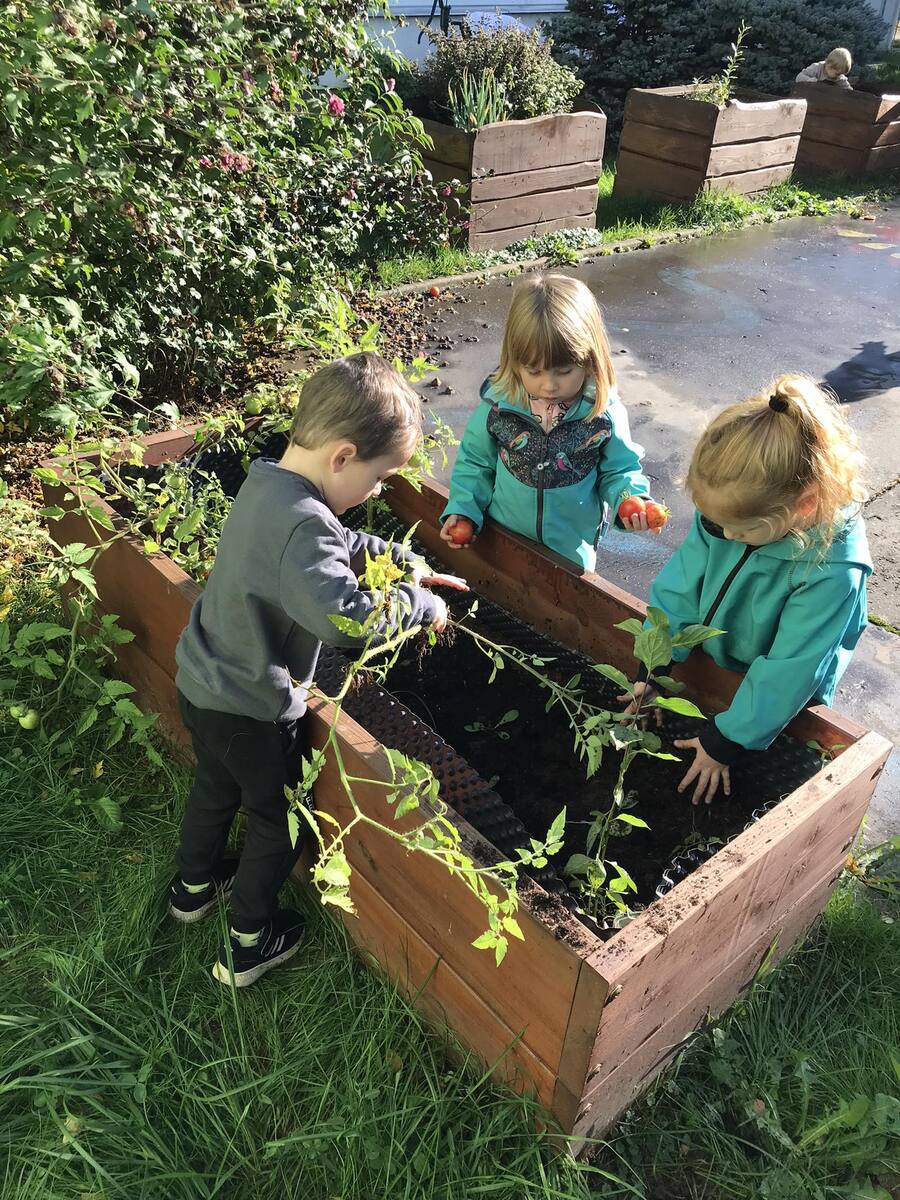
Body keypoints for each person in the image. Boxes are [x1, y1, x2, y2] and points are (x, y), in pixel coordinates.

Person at [171, 353, 465, 987]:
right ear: (343, 457)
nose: (379, 491)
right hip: (251, 707)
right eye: (380, 477)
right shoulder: (306, 527)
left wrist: (399, 561)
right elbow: (350, 622)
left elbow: (339, 542)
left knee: (214, 789)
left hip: (202, 683)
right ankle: (250, 942)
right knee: (276, 820)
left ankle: (193, 889)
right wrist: (420, 605)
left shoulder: (268, 484)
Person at [625, 374, 871, 805]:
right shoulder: (729, 520)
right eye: (715, 523)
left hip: (783, 696)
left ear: (804, 505)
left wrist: (727, 740)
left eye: (739, 530)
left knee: (780, 760)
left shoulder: (831, 571)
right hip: (724, 655)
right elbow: (679, 589)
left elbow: (791, 670)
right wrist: (654, 666)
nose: (724, 535)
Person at [440, 273, 660, 572]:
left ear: (589, 359)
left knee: (565, 599)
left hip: (571, 550)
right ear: (514, 361)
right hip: (504, 537)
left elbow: (619, 470)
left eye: (565, 370)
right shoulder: (499, 406)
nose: (549, 385)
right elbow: (475, 463)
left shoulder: (602, 414)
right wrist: (464, 509)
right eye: (534, 371)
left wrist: (629, 500)